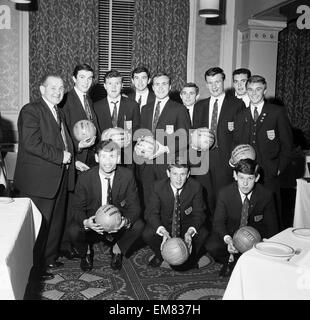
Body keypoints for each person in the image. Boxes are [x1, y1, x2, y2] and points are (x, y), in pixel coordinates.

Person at [14, 74, 75, 281]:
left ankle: (48, 258)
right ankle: (34, 268)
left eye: (61, 88)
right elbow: (32, 144)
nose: (58, 92)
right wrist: (61, 156)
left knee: (54, 222)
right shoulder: (31, 110)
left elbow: (63, 142)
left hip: (58, 177)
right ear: (41, 89)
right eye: (53, 88)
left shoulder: (60, 112)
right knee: (37, 226)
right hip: (38, 181)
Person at [69, 140, 145, 271]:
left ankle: (117, 249)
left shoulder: (127, 176)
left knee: (139, 225)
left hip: (117, 221)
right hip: (93, 222)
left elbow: (135, 207)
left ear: (118, 158)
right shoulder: (85, 178)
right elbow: (76, 208)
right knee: (73, 230)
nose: (108, 162)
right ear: (97, 158)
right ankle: (85, 252)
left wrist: (125, 221)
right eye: (103, 156)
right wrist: (87, 222)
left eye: (112, 156)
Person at [233, 75, 293, 230]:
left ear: (265, 90)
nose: (254, 93)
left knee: (271, 216)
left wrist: (278, 169)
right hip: (247, 175)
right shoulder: (241, 115)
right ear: (246, 91)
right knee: (249, 213)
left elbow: (288, 146)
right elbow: (236, 144)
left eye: (258, 89)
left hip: (269, 173)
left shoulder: (277, 112)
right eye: (250, 90)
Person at [205, 158, 279, 276]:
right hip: (231, 233)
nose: (245, 183)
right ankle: (230, 259)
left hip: (254, 237)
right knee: (212, 245)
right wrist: (228, 240)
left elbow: (272, 227)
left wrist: (262, 244)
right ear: (235, 175)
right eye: (241, 178)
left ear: (257, 178)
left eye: (250, 178)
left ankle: (244, 261)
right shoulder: (224, 194)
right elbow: (218, 223)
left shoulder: (266, 195)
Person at [60, 63, 100, 260]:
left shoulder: (88, 99)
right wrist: (74, 159)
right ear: (74, 78)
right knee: (70, 205)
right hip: (74, 162)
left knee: (83, 202)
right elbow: (61, 135)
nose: (86, 81)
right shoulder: (66, 100)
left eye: (90, 77)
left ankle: (81, 240)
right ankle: (67, 245)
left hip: (89, 161)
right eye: (82, 77)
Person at [193, 67, 245, 217]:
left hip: (225, 160)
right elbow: (195, 134)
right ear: (206, 84)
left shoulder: (236, 104)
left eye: (217, 82)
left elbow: (239, 136)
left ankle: (222, 231)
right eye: (210, 83)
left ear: (223, 81)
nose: (214, 86)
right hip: (203, 159)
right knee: (205, 198)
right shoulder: (199, 106)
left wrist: (234, 160)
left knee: (223, 199)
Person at [142, 158, 208, 270]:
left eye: (182, 174)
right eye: (175, 174)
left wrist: (190, 232)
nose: (178, 179)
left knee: (203, 233)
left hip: (186, 226)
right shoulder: (157, 187)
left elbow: (199, 213)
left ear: (188, 174)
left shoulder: (196, 187)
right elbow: (151, 213)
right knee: (147, 233)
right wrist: (162, 231)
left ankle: (191, 258)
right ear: (168, 173)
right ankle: (161, 255)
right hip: (165, 226)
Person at [137, 72, 191, 207]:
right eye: (157, 84)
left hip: (168, 164)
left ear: (170, 86)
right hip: (147, 165)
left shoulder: (179, 109)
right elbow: (141, 134)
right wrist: (139, 145)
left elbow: (186, 138)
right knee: (148, 201)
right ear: (152, 87)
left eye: (164, 84)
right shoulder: (145, 109)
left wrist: (164, 149)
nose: (160, 88)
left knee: (167, 202)